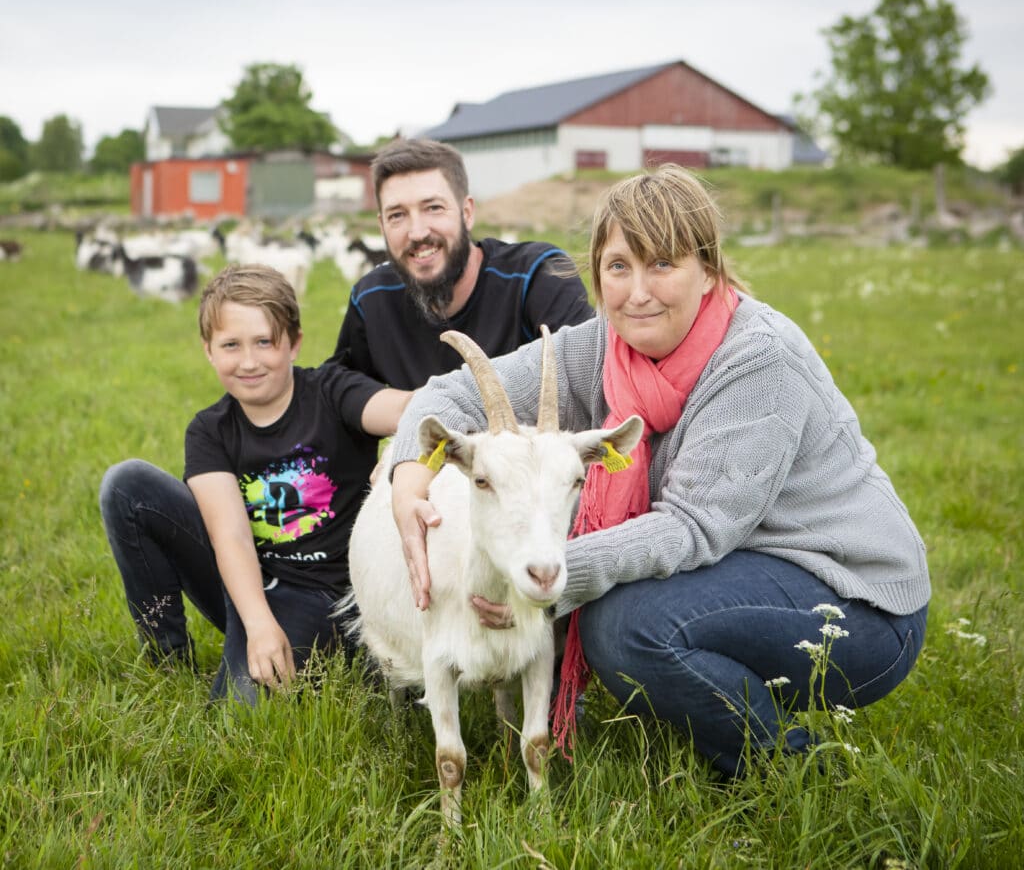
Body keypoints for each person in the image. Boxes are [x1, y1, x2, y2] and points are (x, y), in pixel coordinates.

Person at [386, 164, 931, 777]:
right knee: (619, 612)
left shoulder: (759, 361)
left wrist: (548, 579)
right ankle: (713, 702)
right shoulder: (600, 347)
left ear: (709, 271)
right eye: (619, 267)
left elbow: (691, 528)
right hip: (746, 574)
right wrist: (409, 479)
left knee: (626, 628)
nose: (637, 291)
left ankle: (791, 773)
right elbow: (450, 393)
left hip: (853, 601)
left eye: (663, 264)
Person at [99, 264, 411, 704]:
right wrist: (259, 625)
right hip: (245, 578)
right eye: (230, 345)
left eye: (264, 341)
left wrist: (403, 445)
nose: (248, 361)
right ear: (209, 350)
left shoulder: (332, 391)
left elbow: (414, 407)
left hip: (324, 594)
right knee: (126, 485)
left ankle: (347, 659)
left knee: (236, 717)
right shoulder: (209, 430)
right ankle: (167, 660)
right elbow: (230, 537)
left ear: (294, 342)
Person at [329, 138, 593, 391]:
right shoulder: (372, 299)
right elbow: (339, 387)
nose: (417, 232)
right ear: (382, 226)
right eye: (397, 215)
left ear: (466, 213)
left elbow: (586, 381)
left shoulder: (537, 277)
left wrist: (438, 404)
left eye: (433, 208)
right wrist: (407, 405)